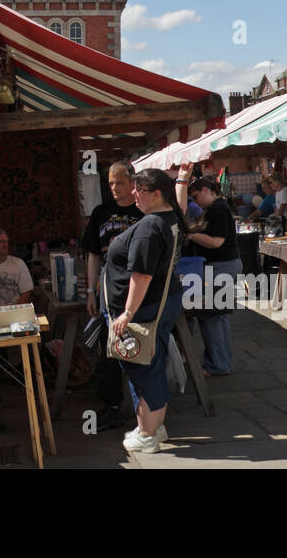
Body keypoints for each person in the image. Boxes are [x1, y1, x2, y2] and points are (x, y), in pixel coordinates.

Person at [106, 168, 185, 454]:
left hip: (143, 309)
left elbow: (142, 276)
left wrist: (127, 313)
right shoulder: (170, 218)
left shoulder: (151, 226)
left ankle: (147, 434)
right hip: (159, 305)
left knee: (142, 368)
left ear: (156, 194)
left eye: (139, 190)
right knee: (152, 361)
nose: (133, 194)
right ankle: (155, 426)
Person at [81, 161, 145, 430]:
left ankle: (147, 413)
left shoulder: (144, 212)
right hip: (108, 293)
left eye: (119, 182)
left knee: (139, 352)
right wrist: (90, 290)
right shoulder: (101, 213)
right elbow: (93, 254)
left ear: (133, 182)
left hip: (139, 291)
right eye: (110, 183)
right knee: (108, 352)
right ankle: (112, 407)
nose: (115, 188)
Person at [178, 168, 240, 376]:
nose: (196, 201)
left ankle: (217, 365)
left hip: (220, 266)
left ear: (205, 190)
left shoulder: (218, 209)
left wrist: (190, 234)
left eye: (196, 196)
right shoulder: (217, 208)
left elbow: (216, 242)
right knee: (218, 316)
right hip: (223, 266)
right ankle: (221, 362)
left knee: (211, 316)